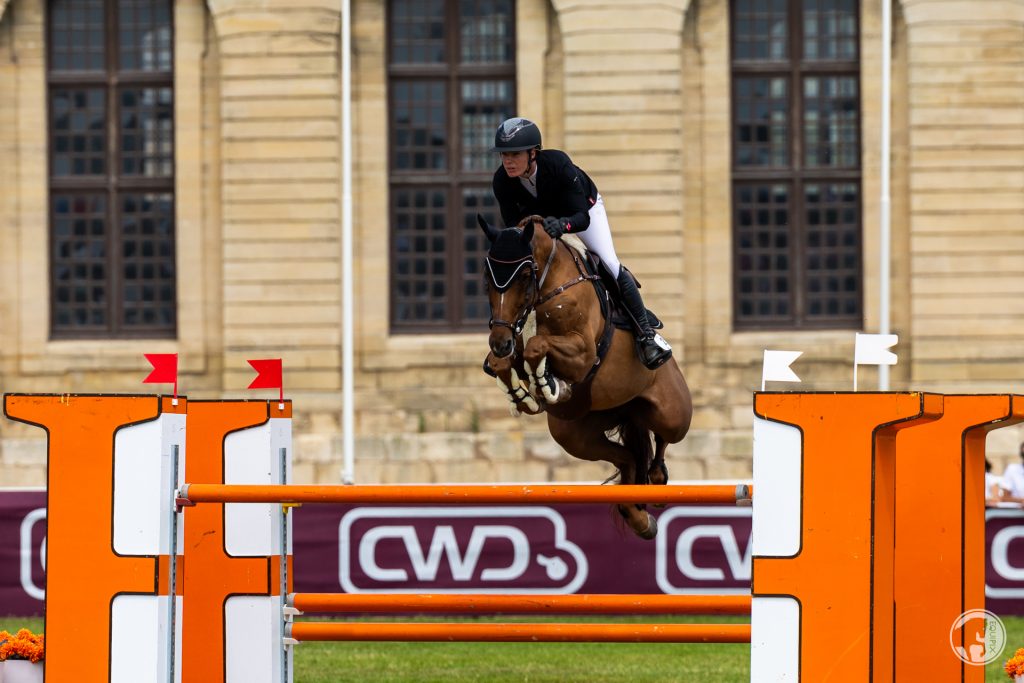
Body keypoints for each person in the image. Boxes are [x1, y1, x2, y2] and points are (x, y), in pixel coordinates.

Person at [489, 117, 672, 370]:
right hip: (544, 223)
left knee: (608, 262)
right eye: (504, 155)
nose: (508, 161)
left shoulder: (558, 165)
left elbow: (581, 218)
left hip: (582, 211)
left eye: (515, 154)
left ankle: (646, 335)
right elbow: (516, 228)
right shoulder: (502, 181)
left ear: (533, 153)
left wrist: (561, 226)